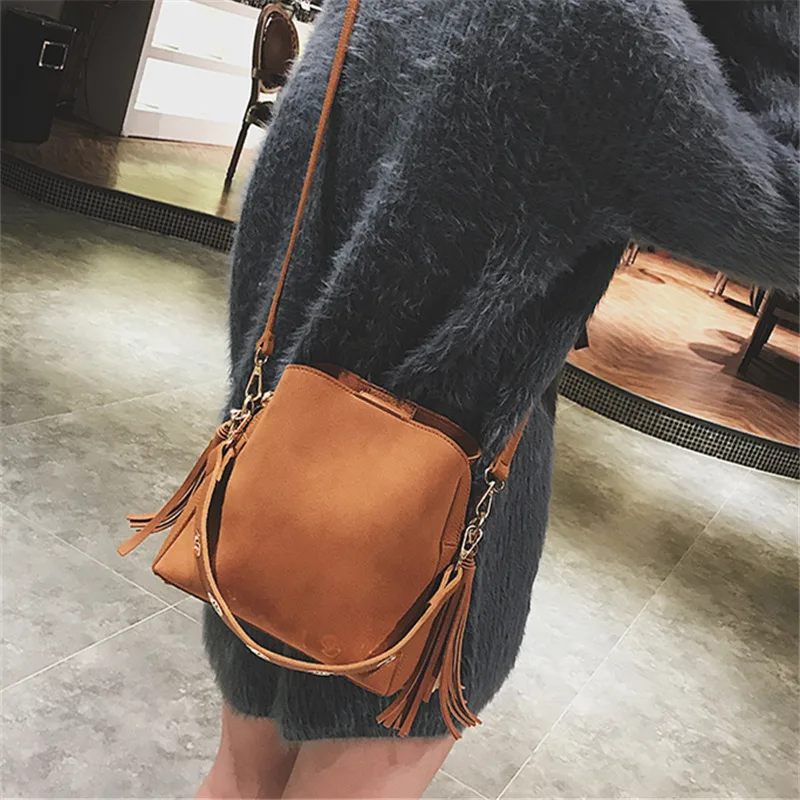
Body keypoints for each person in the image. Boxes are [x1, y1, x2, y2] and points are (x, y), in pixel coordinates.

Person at [199, 1, 798, 796]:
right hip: (427, 531)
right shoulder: (612, 34)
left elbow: (275, 234)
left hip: (273, 474)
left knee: (239, 779)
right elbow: (784, 214)